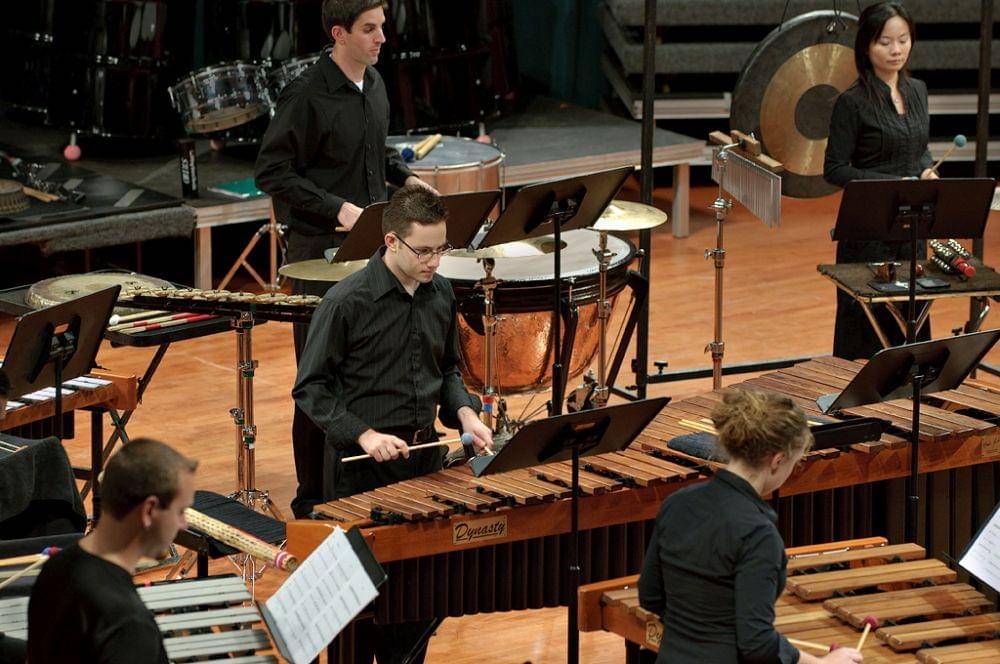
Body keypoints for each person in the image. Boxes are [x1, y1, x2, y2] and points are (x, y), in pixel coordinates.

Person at [293, 184, 491, 663]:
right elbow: (311, 390)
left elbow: (445, 368)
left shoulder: (440, 292)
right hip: (359, 474)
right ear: (391, 243)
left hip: (421, 468)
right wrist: (364, 433)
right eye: (423, 251)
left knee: (412, 614)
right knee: (358, 625)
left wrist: (464, 411)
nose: (434, 262)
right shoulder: (345, 303)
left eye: (441, 249)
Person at [255, 0, 435, 518]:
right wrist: (338, 209)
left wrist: (407, 179)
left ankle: (361, 485)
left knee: (370, 369)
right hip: (319, 257)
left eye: (382, 28)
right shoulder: (306, 95)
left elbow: (374, 155)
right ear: (340, 33)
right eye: (370, 30)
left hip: (373, 250)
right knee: (320, 377)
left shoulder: (373, 85)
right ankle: (311, 496)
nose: (382, 39)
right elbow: (273, 172)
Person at [638, 390, 863, 664]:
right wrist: (822, 663)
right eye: (794, 462)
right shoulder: (759, 534)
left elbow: (650, 596)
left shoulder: (677, 504)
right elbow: (756, 643)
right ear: (778, 460)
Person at [824, 2, 935, 360]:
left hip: (910, 228)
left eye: (903, 40)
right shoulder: (851, 103)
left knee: (910, 314)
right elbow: (835, 168)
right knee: (867, 322)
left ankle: (912, 392)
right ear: (866, 47)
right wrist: (890, 183)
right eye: (885, 42)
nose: (896, 49)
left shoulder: (917, 90)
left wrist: (926, 169)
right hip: (869, 231)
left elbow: (919, 147)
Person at [27, 438, 197, 664]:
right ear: (149, 510)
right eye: (180, 511)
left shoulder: (55, 568)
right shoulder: (128, 625)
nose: (183, 523)